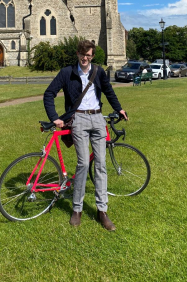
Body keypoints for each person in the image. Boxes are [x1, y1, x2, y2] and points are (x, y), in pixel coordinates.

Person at [43, 39, 127, 231]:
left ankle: (102, 211)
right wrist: (54, 117)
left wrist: (119, 109)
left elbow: (108, 91)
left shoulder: (98, 72)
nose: (85, 58)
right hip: (78, 120)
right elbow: (49, 94)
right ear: (78, 54)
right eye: (82, 54)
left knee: (101, 165)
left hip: (98, 119)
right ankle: (77, 209)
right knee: (83, 164)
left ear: (92, 56)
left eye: (88, 55)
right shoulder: (67, 72)